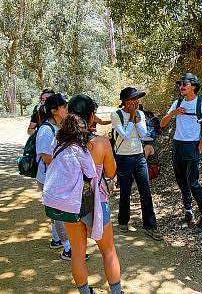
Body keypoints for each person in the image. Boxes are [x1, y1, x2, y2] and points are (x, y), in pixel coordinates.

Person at [43, 94, 123, 294]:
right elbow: (112, 173)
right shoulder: (101, 143)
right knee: (108, 250)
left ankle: (86, 292)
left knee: (78, 254)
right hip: (95, 201)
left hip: (69, 203)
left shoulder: (59, 141)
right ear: (91, 116)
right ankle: (116, 291)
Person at [160, 73, 202, 233]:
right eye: (180, 84)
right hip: (178, 145)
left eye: (185, 84)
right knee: (182, 182)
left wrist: (201, 145)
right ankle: (188, 212)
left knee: (193, 182)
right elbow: (162, 124)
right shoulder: (177, 102)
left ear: (194, 86)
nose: (181, 86)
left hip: (192, 146)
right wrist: (174, 113)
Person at [111, 87, 162, 241]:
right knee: (125, 190)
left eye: (137, 99)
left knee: (145, 191)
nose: (136, 102)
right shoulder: (116, 115)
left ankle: (150, 225)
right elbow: (125, 135)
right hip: (123, 158)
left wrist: (136, 118)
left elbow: (144, 134)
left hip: (139, 156)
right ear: (125, 102)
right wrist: (132, 117)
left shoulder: (140, 114)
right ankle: (123, 220)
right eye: (133, 99)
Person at [35, 93, 72, 258]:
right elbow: (47, 157)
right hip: (49, 178)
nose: (66, 109)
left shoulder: (60, 126)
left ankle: (56, 239)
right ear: (54, 110)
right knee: (59, 213)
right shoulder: (45, 130)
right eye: (64, 107)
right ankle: (68, 247)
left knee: (55, 210)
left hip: (57, 178)